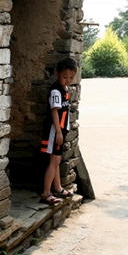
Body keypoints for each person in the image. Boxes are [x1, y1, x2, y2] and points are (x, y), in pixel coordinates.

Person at [39, 57, 78, 205]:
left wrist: (64, 129)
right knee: (53, 161)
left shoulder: (64, 90)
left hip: (59, 131)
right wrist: (59, 132)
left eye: (71, 77)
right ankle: (46, 192)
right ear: (57, 73)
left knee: (57, 160)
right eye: (64, 76)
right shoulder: (56, 91)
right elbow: (55, 112)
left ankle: (58, 188)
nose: (68, 80)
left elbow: (64, 112)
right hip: (54, 131)